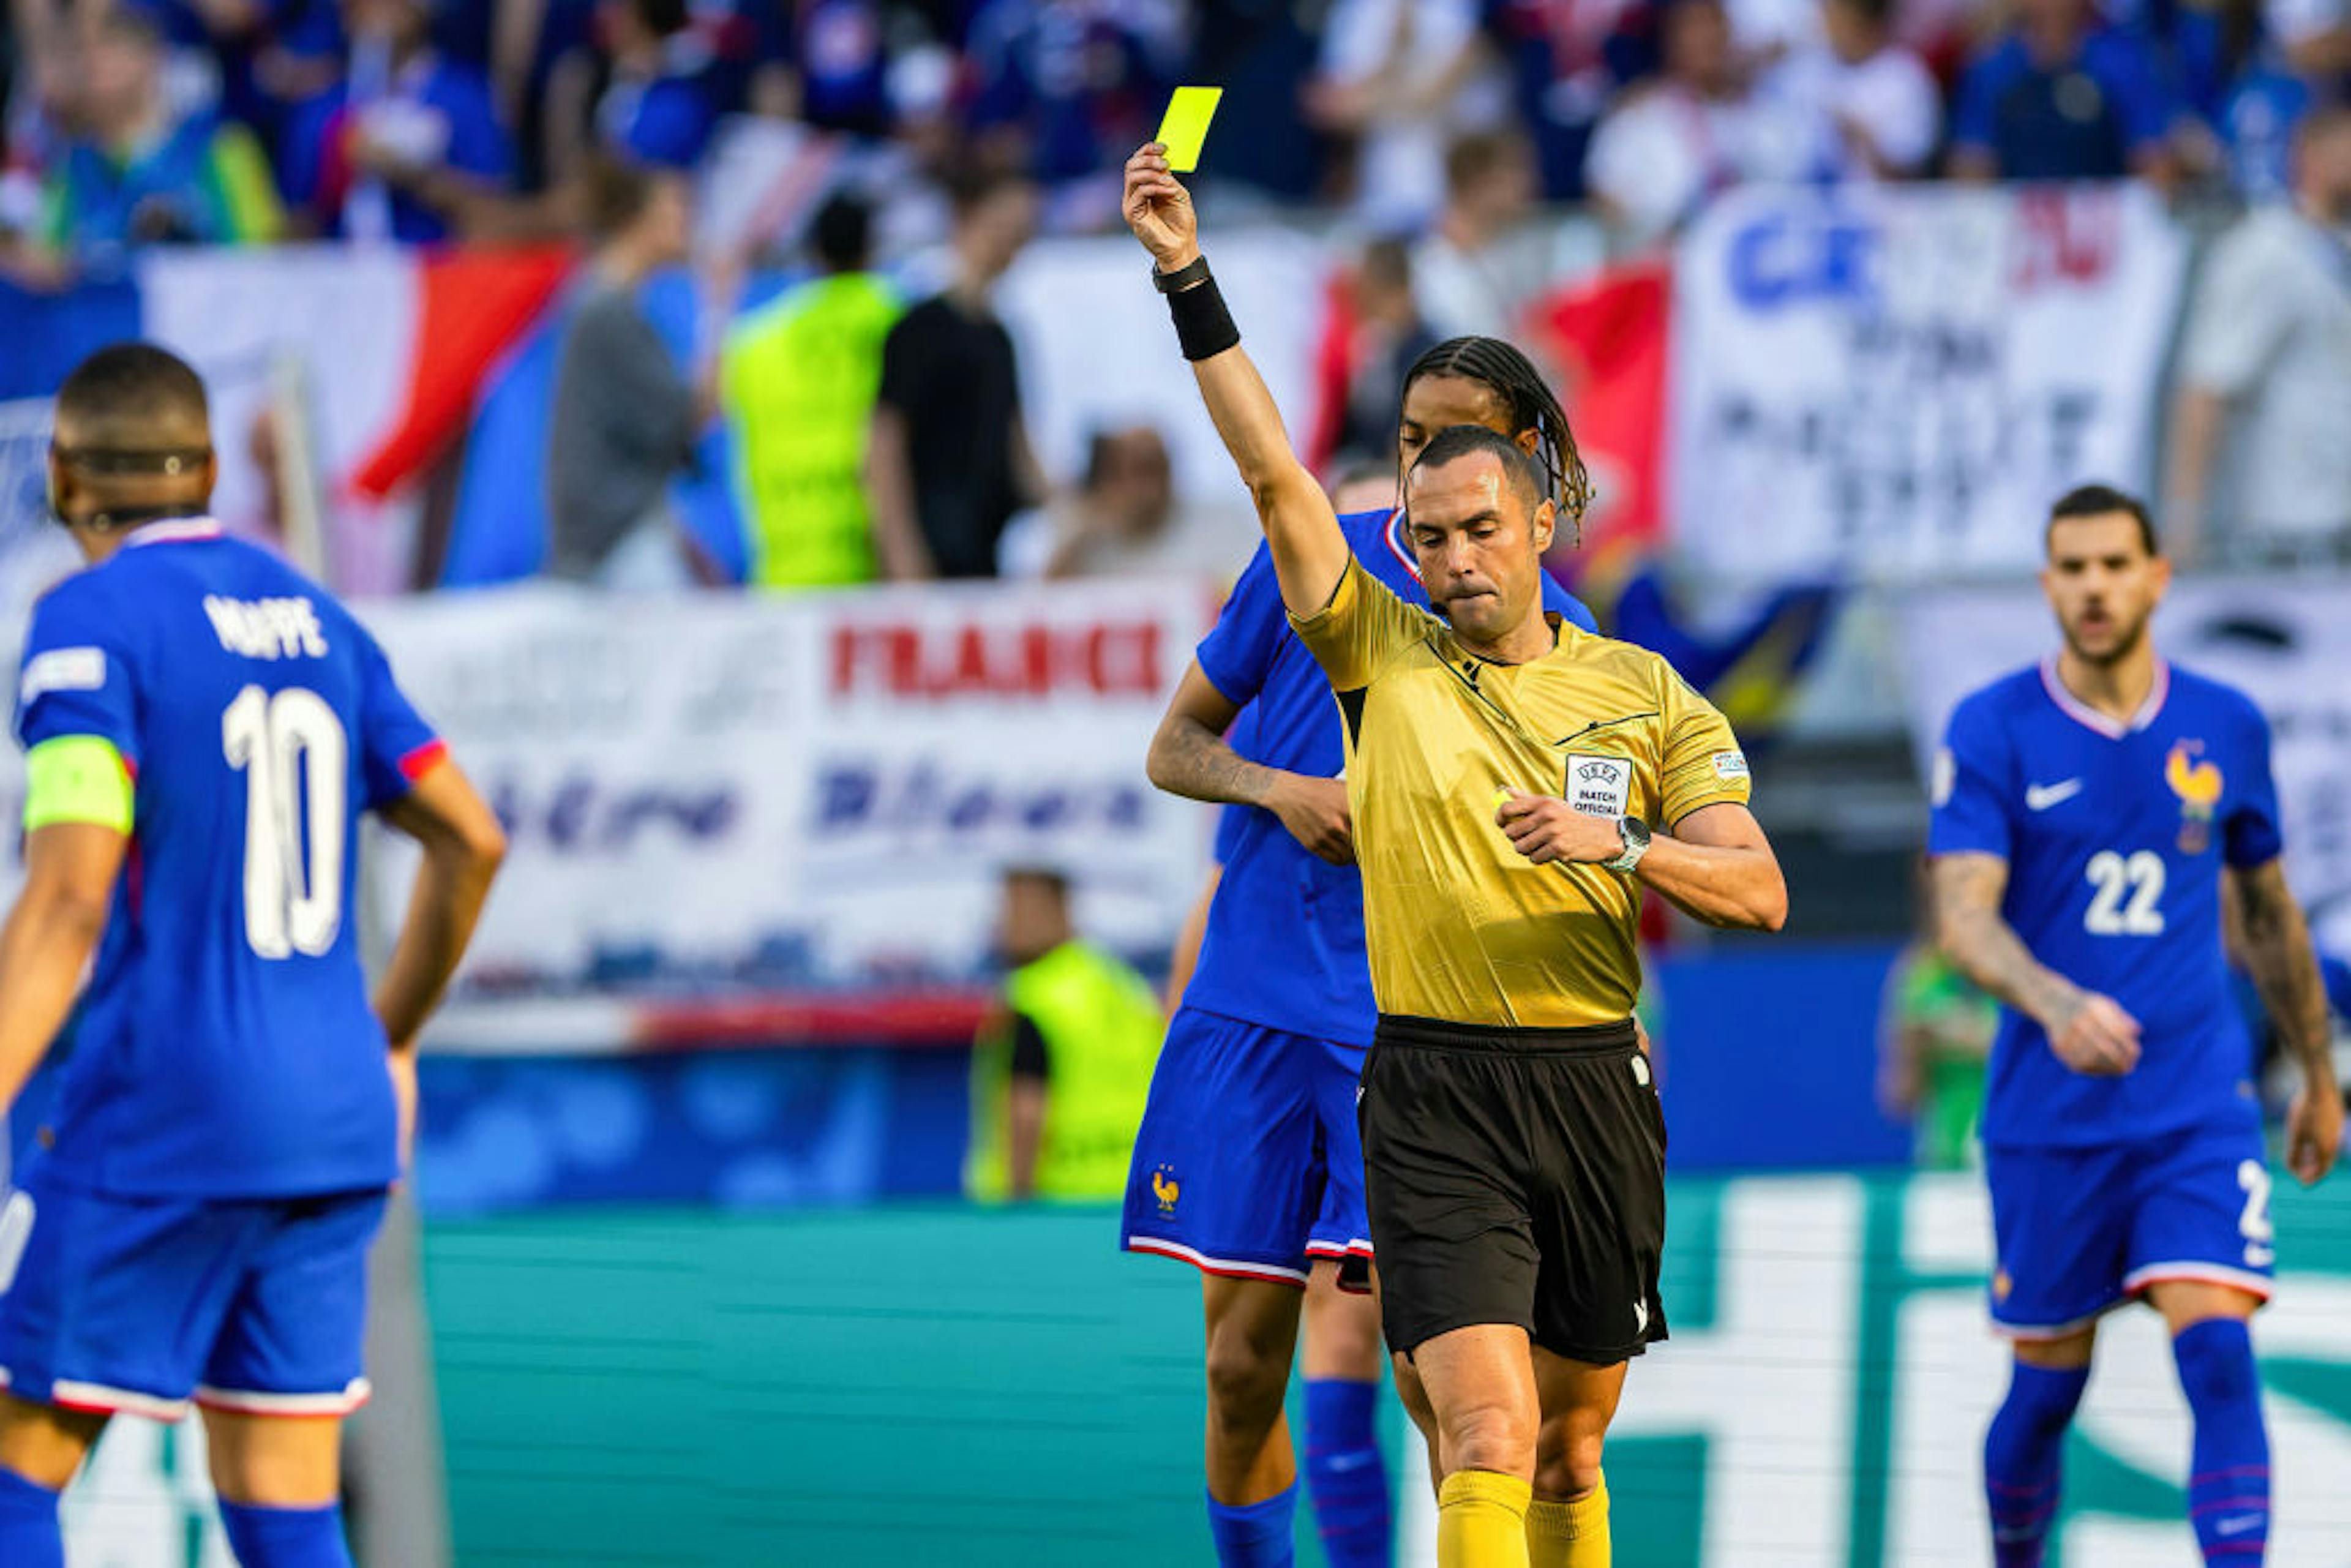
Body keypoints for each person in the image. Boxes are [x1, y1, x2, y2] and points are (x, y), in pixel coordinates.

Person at [1125, 141, 1788, 1568]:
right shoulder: (1381, 650)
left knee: (1561, 1444)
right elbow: (1266, 471)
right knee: (1465, 1424)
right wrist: (1185, 271)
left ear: (1542, 508)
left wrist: (1627, 848)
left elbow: (1758, 887)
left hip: (1588, 1076)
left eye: (1476, 518)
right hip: (1417, 1074)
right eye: (1424, 525)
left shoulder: (1643, 689)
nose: (1448, 547)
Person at [0, 343, 506, 1567]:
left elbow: (67, 896)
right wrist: (387, 1028)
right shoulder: (319, 620)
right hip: (333, 1120)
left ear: (65, 478)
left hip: (167, 1112)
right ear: (212, 469)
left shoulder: (88, 624)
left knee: (15, 1471)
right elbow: (471, 836)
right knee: (282, 1496)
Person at [1129, 331, 1603, 1568]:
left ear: (1524, 460)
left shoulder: (1561, 633)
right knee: (1241, 1369)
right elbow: (1173, 746)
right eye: (1409, 438)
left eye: (1461, 441)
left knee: (1444, 1382)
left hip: (1418, 1036)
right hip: (1256, 1008)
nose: (1426, 466)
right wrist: (1277, 788)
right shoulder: (1315, 557)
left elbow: (1589, 855)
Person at [1928, 484, 2343, 1568]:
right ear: (2047, 584)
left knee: (2217, 1352)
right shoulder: (1994, 727)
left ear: (2158, 577)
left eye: (2117, 564)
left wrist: (2320, 1075)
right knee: (2045, 1391)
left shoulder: (2224, 725)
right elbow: (1963, 918)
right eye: (2074, 567)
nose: (2096, 586)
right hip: (2050, 1116)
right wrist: (2056, 1001)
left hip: (2194, 1103)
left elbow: (2266, 909)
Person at [2166, 104, 2351, 570]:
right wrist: (2184, 523)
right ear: (2310, 155)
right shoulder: (2264, 252)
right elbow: (2206, 388)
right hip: (2289, 532)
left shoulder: (2339, 246)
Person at [866, 168, 1048, 580]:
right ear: (967, 218)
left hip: (984, 550)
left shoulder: (999, 337)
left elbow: (1018, 447)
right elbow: (883, 446)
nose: (1012, 241)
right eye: (1003, 224)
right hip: (930, 549)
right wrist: (903, 554)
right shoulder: (918, 328)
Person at [721, 192, 902, 590]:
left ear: (814, 253)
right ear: (872, 249)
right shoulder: (900, 326)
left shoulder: (754, 343)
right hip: (876, 566)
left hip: (786, 569)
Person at [545, 154, 707, 588]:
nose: (688, 222)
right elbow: (692, 414)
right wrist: (720, 302)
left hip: (613, 532)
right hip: (614, 540)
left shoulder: (600, 302)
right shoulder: (608, 312)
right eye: (677, 209)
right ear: (642, 220)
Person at [966, 868, 1161, 1204]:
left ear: (1059, 911)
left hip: (1059, 1196)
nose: (1006, 925)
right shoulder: (1122, 984)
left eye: (1017, 910)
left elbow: (1026, 1108)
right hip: (1137, 1191)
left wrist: (1017, 1199)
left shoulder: (1034, 994)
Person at [36, 7, 283, 269]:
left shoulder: (223, 149)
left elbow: (266, 263)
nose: (95, 63)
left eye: (110, 45)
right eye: (84, 51)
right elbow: (42, 265)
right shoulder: (72, 167)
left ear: (152, 53)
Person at [1584, 0, 1835, 251]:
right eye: (1693, 28)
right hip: (1663, 267)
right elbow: (1605, 202)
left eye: (1715, 24)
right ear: (1672, 40)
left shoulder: (1772, 118)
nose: (1707, 39)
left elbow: (1800, 200)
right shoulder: (1640, 119)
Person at [279, 0, 514, 245]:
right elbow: (296, 226)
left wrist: (413, 177)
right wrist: (337, 170)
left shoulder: (466, 98)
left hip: (435, 271)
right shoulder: (322, 111)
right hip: (343, 274)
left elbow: (496, 210)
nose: (379, 9)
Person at [1946, 0, 2175, 182]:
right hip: (2014, 223)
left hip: (2103, 220)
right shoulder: (1992, 69)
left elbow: (2152, 158)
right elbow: (1970, 164)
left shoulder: (2122, 64)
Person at [1878, 859, 1998, 1170]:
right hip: (1944, 1161)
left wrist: (1962, 1034)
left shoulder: (2019, 966)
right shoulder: (1918, 972)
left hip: (2006, 1155)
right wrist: (1911, 1052)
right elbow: (1899, 1098)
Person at [1039, 425, 1258, 579]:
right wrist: (1075, 536)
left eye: (1153, 469)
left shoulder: (1222, 526)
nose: (1147, 488)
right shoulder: (1090, 541)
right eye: (1126, 472)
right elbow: (1046, 610)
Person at [1766, 0, 1942, 179]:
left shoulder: (1906, 79)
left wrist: (1862, 139)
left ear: (1865, 20)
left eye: (1838, 14)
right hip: (1801, 200)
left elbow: (1910, 176)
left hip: (1881, 204)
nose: (1826, 23)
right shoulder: (1805, 69)